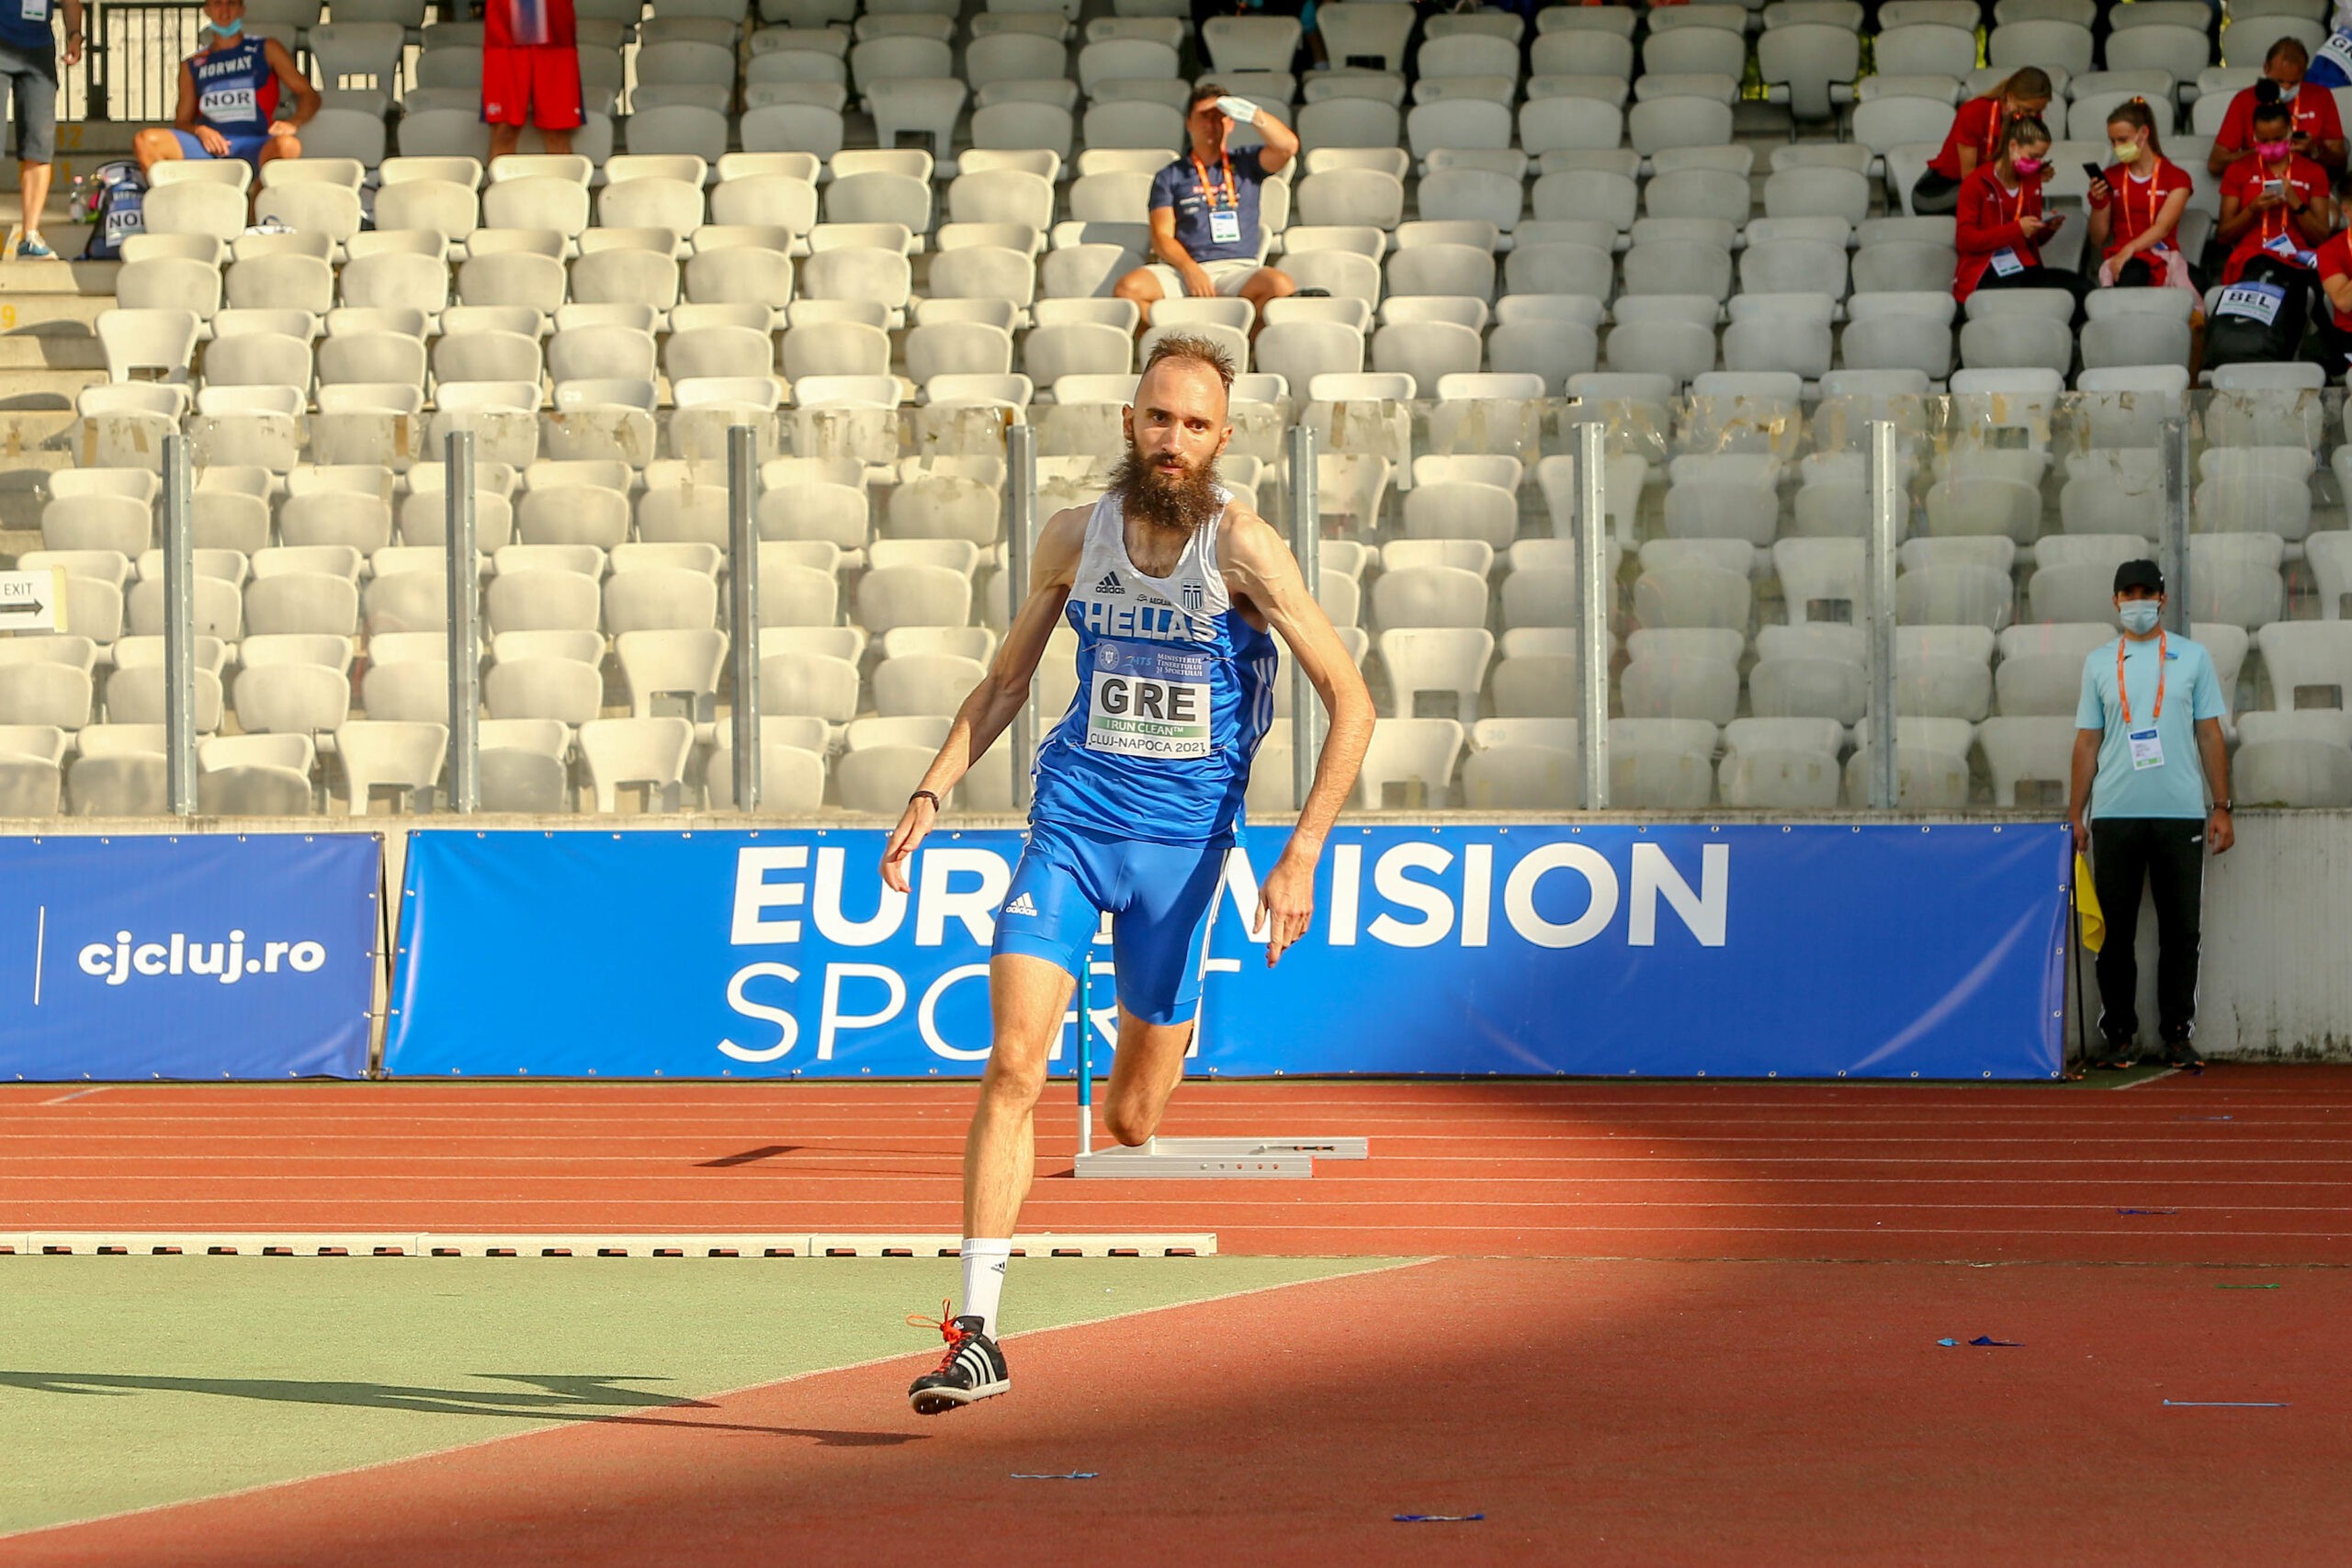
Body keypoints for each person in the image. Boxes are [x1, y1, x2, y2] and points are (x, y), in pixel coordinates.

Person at [878, 334, 1374, 1415]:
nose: (1173, 441)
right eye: (1159, 419)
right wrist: (928, 792)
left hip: (1185, 858)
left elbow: (1355, 701)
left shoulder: (1246, 551)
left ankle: (1156, 1044)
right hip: (1069, 828)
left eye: (1195, 426)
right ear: (1129, 423)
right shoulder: (1074, 535)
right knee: (1013, 1066)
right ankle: (978, 1334)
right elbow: (1005, 681)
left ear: (1220, 440)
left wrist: (1297, 857)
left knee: (1131, 1124)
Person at [2068, 560, 2233, 1073]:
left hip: (2181, 813)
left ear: (2161, 599)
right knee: (2114, 932)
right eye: (2128, 592)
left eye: (2146, 592)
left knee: (2181, 931)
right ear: (2116, 600)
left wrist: (2221, 807)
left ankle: (2177, 1034)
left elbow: (2209, 734)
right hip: (2115, 815)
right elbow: (2087, 741)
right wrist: (2075, 814)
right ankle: (2119, 1035)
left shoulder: (2193, 657)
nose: (2137, 601)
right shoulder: (2098, 662)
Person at [1114, 85, 1299, 333]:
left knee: (1281, 286)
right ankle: (1175, 349)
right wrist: (1190, 270)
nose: (1210, 123)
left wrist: (1254, 115)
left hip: (1237, 269)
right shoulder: (1171, 175)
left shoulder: (1246, 163)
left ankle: (1238, 352)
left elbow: (1287, 147)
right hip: (1183, 269)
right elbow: (1161, 237)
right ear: (1188, 123)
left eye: (1218, 115)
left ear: (1231, 122)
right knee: (1128, 290)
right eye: (1203, 116)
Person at [131, 0, 314, 178]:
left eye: (231, 3)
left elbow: (308, 94)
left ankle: (254, 207)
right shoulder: (192, 64)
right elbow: (181, 122)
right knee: (145, 141)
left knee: (288, 146)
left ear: (242, 10)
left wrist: (294, 122)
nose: (224, 10)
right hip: (207, 147)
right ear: (207, 10)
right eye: (217, 3)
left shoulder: (266, 49)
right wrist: (200, 131)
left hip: (255, 143)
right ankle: (177, 204)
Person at [2087, 97, 2203, 372]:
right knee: (2132, 272)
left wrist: (2128, 250)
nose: (2117, 148)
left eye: (2123, 139)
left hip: (2159, 256)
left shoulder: (2176, 177)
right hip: (2122, 261)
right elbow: (2098, 237)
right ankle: (2127, 360)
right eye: (2113, 141)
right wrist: (2099, 203)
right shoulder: (2111, 177)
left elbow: (2163, 227)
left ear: (2144, 133)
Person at [1954, 115, 2078, 305]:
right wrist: (2017, 229)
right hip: (1985, 270)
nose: (2037, 163)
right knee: (2030, 300)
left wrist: (2047, 229)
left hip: (2024, 266)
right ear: (2013, 146)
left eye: (2041, 158)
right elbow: (1965, 240)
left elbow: (2031, 239)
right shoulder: (1975, 183)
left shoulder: (2031, 181)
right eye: (2033, 156)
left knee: (2080, 290)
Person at [0, 0, 83, 257]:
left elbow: (71, 4)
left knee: (39, 144)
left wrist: (75, 35)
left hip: (37, 52)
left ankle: (30, 235)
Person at [1912, 66, 2052, 219]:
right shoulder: (1974, 112)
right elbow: (1970, 178)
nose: (2032, 116)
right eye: (2027, 110)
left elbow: (2012, 168)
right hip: (1938, 192)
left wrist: (2033, 173)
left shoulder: (2030, 119)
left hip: (1986, 187)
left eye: (2038, 111)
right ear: (2010, 98)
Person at [2209, 37, 2346, 177]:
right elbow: (2216, 164)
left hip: (2310, 185)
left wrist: (2314, 152)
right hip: (2260, 184)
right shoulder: (2244, 100)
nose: (2286, 87)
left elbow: (2340, 165)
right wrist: (2266, 150)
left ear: (2304, 73)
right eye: (2279, 81)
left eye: (2294, 82)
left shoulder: (2321, 96)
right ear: (2266, 68)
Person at [480, 0, 581, 164]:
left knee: (556, 131)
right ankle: (501, 189)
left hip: (555, 39)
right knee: (504, 130)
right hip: (504, 36)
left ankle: (563, 188)